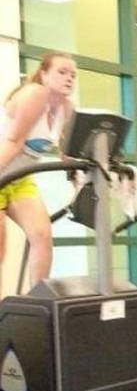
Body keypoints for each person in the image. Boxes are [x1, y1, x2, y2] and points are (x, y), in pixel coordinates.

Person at [0, 52, 76, 287]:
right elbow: (13, 142)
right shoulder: (35, 94)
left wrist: (80, 186)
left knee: (42, 236)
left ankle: (39, 302)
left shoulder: (67, 108)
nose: (69, 78)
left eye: (73, 75)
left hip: (20, 179)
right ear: (44, 74)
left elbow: (68, 155)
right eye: (62, 72)